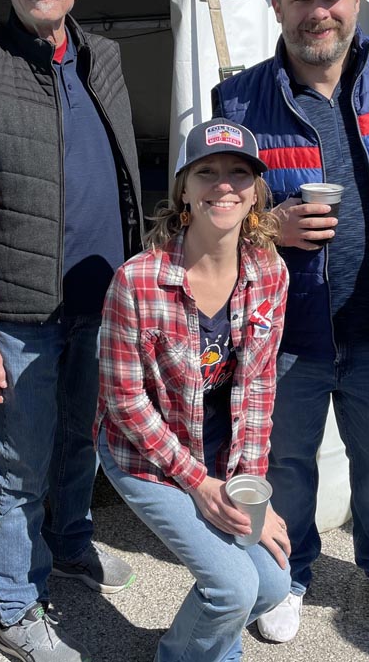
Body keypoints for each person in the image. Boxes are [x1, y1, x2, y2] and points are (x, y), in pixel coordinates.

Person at [0, 0, 143, 661]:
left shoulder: (106, 58)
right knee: (21, 463)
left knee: (81, 443)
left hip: (103, 300)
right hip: (18, 312)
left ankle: (72, 545)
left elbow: (126, 180)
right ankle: (15, 605)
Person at [212, 0, 369, 642]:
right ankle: (291, 573)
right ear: (277, 6)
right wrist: (263, 224)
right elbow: (208, 210)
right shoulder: (239, 96)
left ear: (356, 0)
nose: (318, 11)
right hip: (288, 333)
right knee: (287, 466)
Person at [97, 118, 291, 661]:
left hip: (222, 457)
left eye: (239, 173)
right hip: (145, 456)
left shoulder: (270, 272)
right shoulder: (136, 280)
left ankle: (192, 646)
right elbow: (125, 403)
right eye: (207, 172)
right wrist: (200, 485)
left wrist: (250, 487)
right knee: (233, 587)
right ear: (184, 188)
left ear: (255, 193)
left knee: (272, 584)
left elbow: (259, 387)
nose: (223, 185)